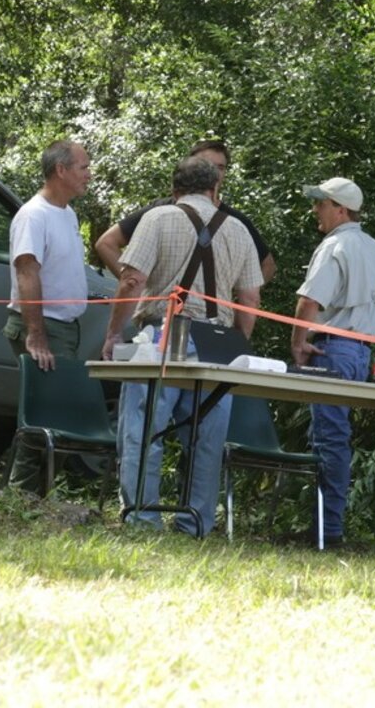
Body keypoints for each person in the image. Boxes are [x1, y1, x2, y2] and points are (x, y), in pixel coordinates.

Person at [100, 156, 264, 536]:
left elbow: (130, 281)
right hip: (218, 343)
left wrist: (112, 334)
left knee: (143, 430)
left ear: (175, 190)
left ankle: (143, 517)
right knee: (206, 438)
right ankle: (196, 523)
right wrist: (238, 345)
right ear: (214, 190)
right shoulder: (238, 229)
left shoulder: (157, 219)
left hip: (163, 335)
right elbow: (250, 298)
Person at [290, 177, 375, 547]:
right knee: (336, 439)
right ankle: (327, 526)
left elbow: (310, 302)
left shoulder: (334, 245)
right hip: (360, 353)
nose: (315, 209)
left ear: (341, 209)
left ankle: (327, 531)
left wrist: (299, 343)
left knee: (329, 440)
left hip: (332, 348)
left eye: (321, 203)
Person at [3, 140, 93, 494]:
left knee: (50, 413)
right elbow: (27, 272)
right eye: (83, 167)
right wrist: (36, 334)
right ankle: (20, 497)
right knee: (46, 414)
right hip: (43, 327)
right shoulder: (33, 214)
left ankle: (28, 495)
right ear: (61, 170)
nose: (89, 175)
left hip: (65, 327)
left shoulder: (68, 214)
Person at [95, 139, 276, 285]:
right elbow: (107, 243)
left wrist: (237, 299)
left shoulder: (236, 221)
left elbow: (267, 265)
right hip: (160, 315)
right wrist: (135, 285)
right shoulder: (159, 211)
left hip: (214, 318)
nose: (213, 172)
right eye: (207, 164)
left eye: (220, 167)